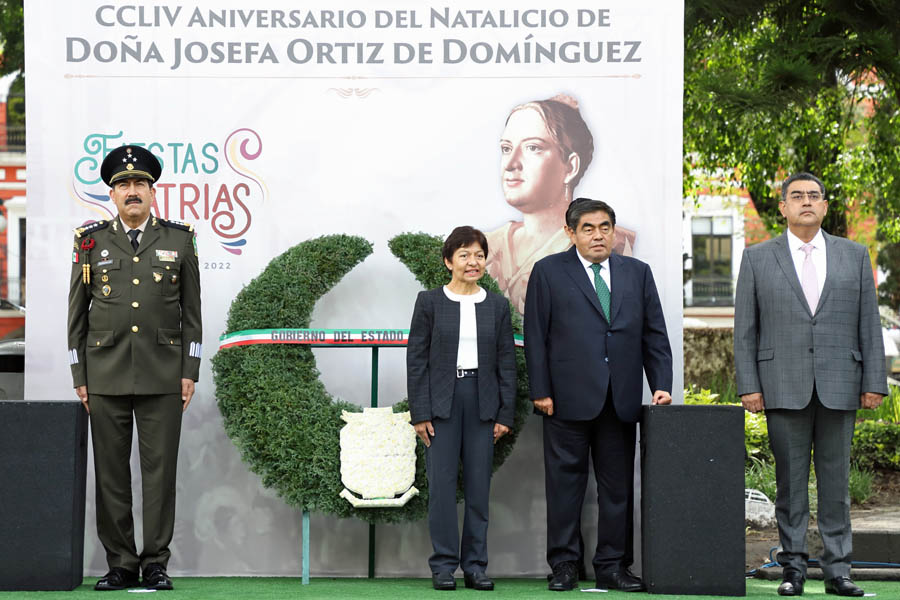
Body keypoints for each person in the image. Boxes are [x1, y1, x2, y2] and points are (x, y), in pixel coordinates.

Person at [734, 172, 886, 598]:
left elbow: (868, 324)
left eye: (814, 196)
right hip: (781, 385)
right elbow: (745, 328)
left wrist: (874, 380)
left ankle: (839, 571)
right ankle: (793, 569)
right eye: (796, 196)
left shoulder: (854, 255)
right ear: (782, 207)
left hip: (842, 383)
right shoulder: (758, 258)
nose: (806, 202)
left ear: (824, 206)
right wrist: (749, 384)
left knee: (835, 486)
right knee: (790, 483)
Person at [67, 145, 202, 591]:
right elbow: (77, 316)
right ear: (112, 194)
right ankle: (121, 563)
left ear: (151, 190)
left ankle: (156, 562)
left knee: (160, 476)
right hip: (104, 374)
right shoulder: (90, 241)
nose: (132, 192)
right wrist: (79, 376)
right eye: (123, 185)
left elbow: (192, 312)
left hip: (164, 374)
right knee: (110, 475)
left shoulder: (179, 239)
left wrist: (190, 370)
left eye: (139, 184)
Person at [524, 198, 672, 592]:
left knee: (618, 489)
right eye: (587, 228)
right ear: (571, 233)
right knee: (564, 487)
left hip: (620, 399)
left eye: (605, 227)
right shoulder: (548, 272)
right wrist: (540, 389)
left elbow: (654, 335)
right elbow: (536, 336)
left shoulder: (637, 274)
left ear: (613, 231)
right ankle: (564, 565)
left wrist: (661, 384)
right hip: (564, 400)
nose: (597, 235)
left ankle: (613, 565)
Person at [407, 226, 517, 591]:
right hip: (441, 403)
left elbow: (506, 362)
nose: (473, 262)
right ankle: (442, 566)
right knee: (440, 488)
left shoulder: (497, 306)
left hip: (482, 402)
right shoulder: (429, 302)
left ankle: (475, 566)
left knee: (478, 489)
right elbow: (416, 360)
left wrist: (504, 414)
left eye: (479, 255)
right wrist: (420, 412)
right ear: (448, 261)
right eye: (465, 255)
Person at [486, 95, 636, 316]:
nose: (510, 164)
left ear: (570, 167)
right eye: (506, 149)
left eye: (533, 147)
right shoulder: (485, 246)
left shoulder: (614, 245)